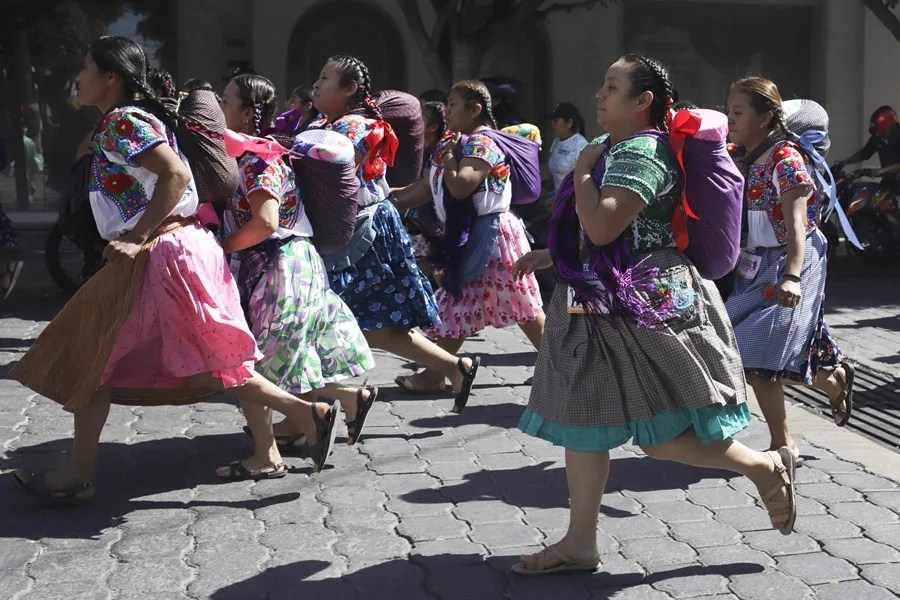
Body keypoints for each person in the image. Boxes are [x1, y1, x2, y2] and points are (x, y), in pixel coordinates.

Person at [10, 36, 340, 504]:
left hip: (165, 254)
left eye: (86, 67)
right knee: (98, 359)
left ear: (111, 77)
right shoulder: (130, 121)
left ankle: (307, 414)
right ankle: (77, 473)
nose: (78, 76)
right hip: (172, 250)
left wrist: (136, 235)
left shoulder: (123, 121)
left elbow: (176, 177)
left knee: (208, 365)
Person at [511, 54, 797, 575]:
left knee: (663, 437)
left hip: (645, 302)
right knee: (583, 422)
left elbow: (602, 228)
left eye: (612, 86)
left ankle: (761, 465)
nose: (599, 94)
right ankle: (580, 542)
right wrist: (555, 253)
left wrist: (580, 173)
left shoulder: (641, 152)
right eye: (602, 84)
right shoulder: (619, 149)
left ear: (642, 102)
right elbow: (606, 233)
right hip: (600, 298)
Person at [305, 55, 480, 414]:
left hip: (357, 234)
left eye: (325, 78)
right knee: (366, 320)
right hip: (365, 227)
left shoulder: (351, 126)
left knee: (327, 315)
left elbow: (337, 179)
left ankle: (312, 414)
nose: (317, 85)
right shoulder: (337, 123)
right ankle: (453, 367)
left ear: (349, 89)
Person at [220, 73, 378, 455]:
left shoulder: (260, 158)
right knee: (288, 356)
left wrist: (223, 247)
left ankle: (269, 452)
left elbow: (266, 221)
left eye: (226, 100)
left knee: (252, 365)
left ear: (246, 113)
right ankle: (345, 402)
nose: (219, 109)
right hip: (293, 264)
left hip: (280, 270)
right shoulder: (261, 151)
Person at [724, 77, 854, 462]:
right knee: (747, 347)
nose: (729, 118)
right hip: (755, 262)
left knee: (760, 358)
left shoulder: (786, 159)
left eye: (738, 112)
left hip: (794, 259)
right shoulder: (741, 154)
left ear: (765, 118)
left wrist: (793, 277)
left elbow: (797, 225)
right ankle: (833, 381)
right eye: (728, 110)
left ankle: (784, 444)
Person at [391, 80, 545, 394]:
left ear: (475, 110)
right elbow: (421, 191)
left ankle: (436, 374)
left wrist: (449, 159)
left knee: (502, 303)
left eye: (452, 104)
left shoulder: (481, 144)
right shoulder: (455, 144)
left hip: (493, 236)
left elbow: (462, 185)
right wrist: (380, 198)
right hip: (477, 236)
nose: (445, 111)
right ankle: (559, 369)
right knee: (479, 301)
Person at [838, 105, 900, 191]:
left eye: (881, 131)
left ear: (891, 127)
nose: (878, 135)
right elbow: (865, 153)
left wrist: (882, 171)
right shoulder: (878, 137)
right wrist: (845, 161)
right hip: (888, 182)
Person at [546, 102, 588, 193]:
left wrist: (563, 200)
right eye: (552, 120)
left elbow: (586, 182)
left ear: (569, 123)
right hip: (555, 196)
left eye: (556, 120)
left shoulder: (581, 145)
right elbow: (555, 175)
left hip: (572, 201)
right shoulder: (556, 142)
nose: (553, 124)